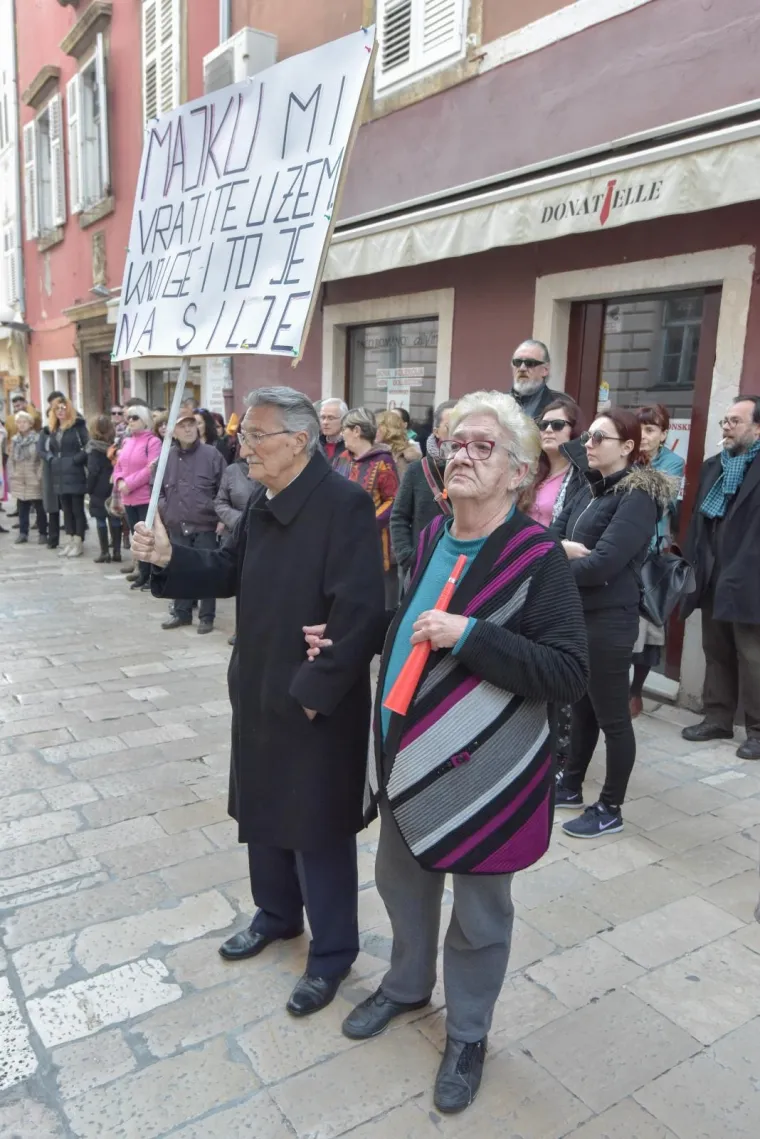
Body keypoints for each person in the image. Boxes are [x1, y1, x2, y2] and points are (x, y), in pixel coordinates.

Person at [308, 390, 588, 1113]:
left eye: (483, 446)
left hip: (489, 772)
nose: (460, 453)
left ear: (520, 473)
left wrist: (470, 635)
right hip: (406, 751)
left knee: (480, 912)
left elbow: (567, 670)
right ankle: (405, 985)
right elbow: (411, 627)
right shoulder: (434, 536)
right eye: (455, 442)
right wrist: (346, 642)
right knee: (402, 883)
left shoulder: (536, 557)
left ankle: (467, 1032)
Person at [131, 386, 385, 1019]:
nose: (241, 450)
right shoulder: (264, 502)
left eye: (254, 438)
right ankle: (276, 914)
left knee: (318, 827)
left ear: (298, 442)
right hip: (259, 686)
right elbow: (225, 570)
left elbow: (361, 611)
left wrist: (312, 694)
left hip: (312, 698)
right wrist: (168, 558)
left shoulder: (344, 505)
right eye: (243, 437)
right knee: (264, 808)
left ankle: (332, 954)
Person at [553, 409, 676, 837]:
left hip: (609, 620)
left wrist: (561, 557)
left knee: (612, 717)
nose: (587, 443)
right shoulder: (588, 489)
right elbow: (550, 538)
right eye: (587, 436)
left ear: (627, 447)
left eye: (598, 438)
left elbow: (603, 564)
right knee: (580, 707)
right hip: (576, 613)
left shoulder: (636, 497)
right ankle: (570, 785)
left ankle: (611, 808)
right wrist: (564, 552)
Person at [680, 395, 760, 760]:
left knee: (753, 655)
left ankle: (758, 731)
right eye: (724, 420)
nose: (725, 426)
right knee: (716, 650)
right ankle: (717, 718)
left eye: (735, 421)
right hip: (712, 574)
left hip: (750, 577)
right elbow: (698, 519)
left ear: (757, 428)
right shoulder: (714, 466)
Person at [629, 404, 686, 718]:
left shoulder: (673, 463)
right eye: (639, 429)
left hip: (653, 556)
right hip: (625, 553)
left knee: (650, 627)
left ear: (664, 434)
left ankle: (635, 692)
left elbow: (661, 501)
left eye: (651, 430)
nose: (644, 437)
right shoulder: (626, 457)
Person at [158, 408, 225, 633]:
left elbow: (223, 489)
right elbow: (155, 489)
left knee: (206, 571)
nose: (188, 429)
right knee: (179, 570)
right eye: (182, 426)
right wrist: (165, 509)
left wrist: (220, 517)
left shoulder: (212, 455)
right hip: (177, 523)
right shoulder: (166, 456)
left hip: (205, 523)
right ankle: (181, 613)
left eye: (191, 424)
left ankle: (207, 617)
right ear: (173, 432)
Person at [335, 407, 400, 606]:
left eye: (344, 428)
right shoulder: (343, 459)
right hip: (343, 538)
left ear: (356, 430)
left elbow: (393, 500)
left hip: (374, 542)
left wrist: (367, 522)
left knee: (378, 599)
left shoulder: (383, 462)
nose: (341, 433)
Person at [390, 400, 457, 576]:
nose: (457, 433)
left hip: (460, 566)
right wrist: (407, 557)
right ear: (436, 432)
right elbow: (399, 517)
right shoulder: (417, 470)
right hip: (420, 567)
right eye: (451, 427)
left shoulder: (475, 469)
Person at [112, 405, 162, 589]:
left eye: (134, 417)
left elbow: (151, 469)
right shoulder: (127, 441)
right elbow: (118, 466)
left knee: (149, 538)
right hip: (128, 498)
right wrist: (119, 482)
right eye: (129, 418)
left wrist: (129, 483)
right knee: (136, 537)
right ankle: (142, 572)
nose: (130, 421)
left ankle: (153, 575)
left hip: (145, 497)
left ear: (145, 420)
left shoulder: (153, 442)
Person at [215, 444, 260, 646]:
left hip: (267, 534)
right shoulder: (232, 471)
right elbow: (220, 502)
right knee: (242, 585)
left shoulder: (271, 470)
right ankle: (240, 629)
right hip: (238, 534)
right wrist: (242, 522)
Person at [519, 397, 586, 527]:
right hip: (522, 543)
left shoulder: (582, 477)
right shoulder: (530, 469)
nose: (548, 430)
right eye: (543, 425)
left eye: (557, 425)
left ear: (574, 430)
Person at [45, 396, 89, 558]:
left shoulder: (78, 426)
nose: (60, 412)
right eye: (57, 409)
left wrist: (75, 460)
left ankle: (78, 542)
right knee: (66, 510)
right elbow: (50, 449)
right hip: (60, 475)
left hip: (75, 472)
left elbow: (88, 446)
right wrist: (53, 460)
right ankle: (69, 540)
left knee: (77, 510)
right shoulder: (54, 429)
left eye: (63, 408)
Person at [86, 414, 123, 564]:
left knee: (101, 519)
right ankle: (117, 551)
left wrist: (89, 488)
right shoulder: (115, 448)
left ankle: (104, 552)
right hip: (114, 487)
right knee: (115, 518)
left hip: (99, 490)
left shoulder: (94, 450)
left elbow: (93, 471)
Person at [8, 410, 46, 545]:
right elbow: (11, 459)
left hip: (33, 477)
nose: (21, 425)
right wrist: (13, 475)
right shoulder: (14, 440)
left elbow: (42, 459)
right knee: (22, 506)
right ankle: (23, 533)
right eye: (18, 422)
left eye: (24, 422)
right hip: (19, 477)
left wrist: (39, 475)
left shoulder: (37, 439)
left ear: (30, 424)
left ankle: (43, 533)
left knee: (39, 506)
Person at [36, 393, 66, 549]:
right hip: (50, 470)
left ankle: (72, 537)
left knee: (67, 505)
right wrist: (50, 457)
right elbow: (40, 449)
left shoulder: (66, 430)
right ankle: (53, 538)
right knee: (52, 506)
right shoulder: (45, 432)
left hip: (65, 471)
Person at [509, 339, 562, 421]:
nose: (522, 368)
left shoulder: (562, 405)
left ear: (545, 370)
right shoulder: (497, 403)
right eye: (517, 362)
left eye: (530, 363)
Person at [375, 410, 421, 481]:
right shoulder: (373, 451)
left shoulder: (408, 456)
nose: (375, 431)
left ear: (389, 429)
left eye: (378, 427)